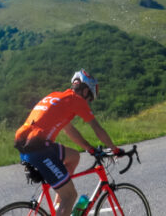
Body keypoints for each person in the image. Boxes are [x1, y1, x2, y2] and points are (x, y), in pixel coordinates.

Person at [14, 69, 122, 216]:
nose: (88, 102)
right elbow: (97, 128)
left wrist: (89, 148)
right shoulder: (76, 100)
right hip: (39, 150)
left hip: (26, 143)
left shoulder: (58, 97)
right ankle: (65, 202)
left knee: (74, 156)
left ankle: (60, 206)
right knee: (70, 196)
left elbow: (69, 130)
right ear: (85, 91)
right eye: (89, 98)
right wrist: (114, 149)